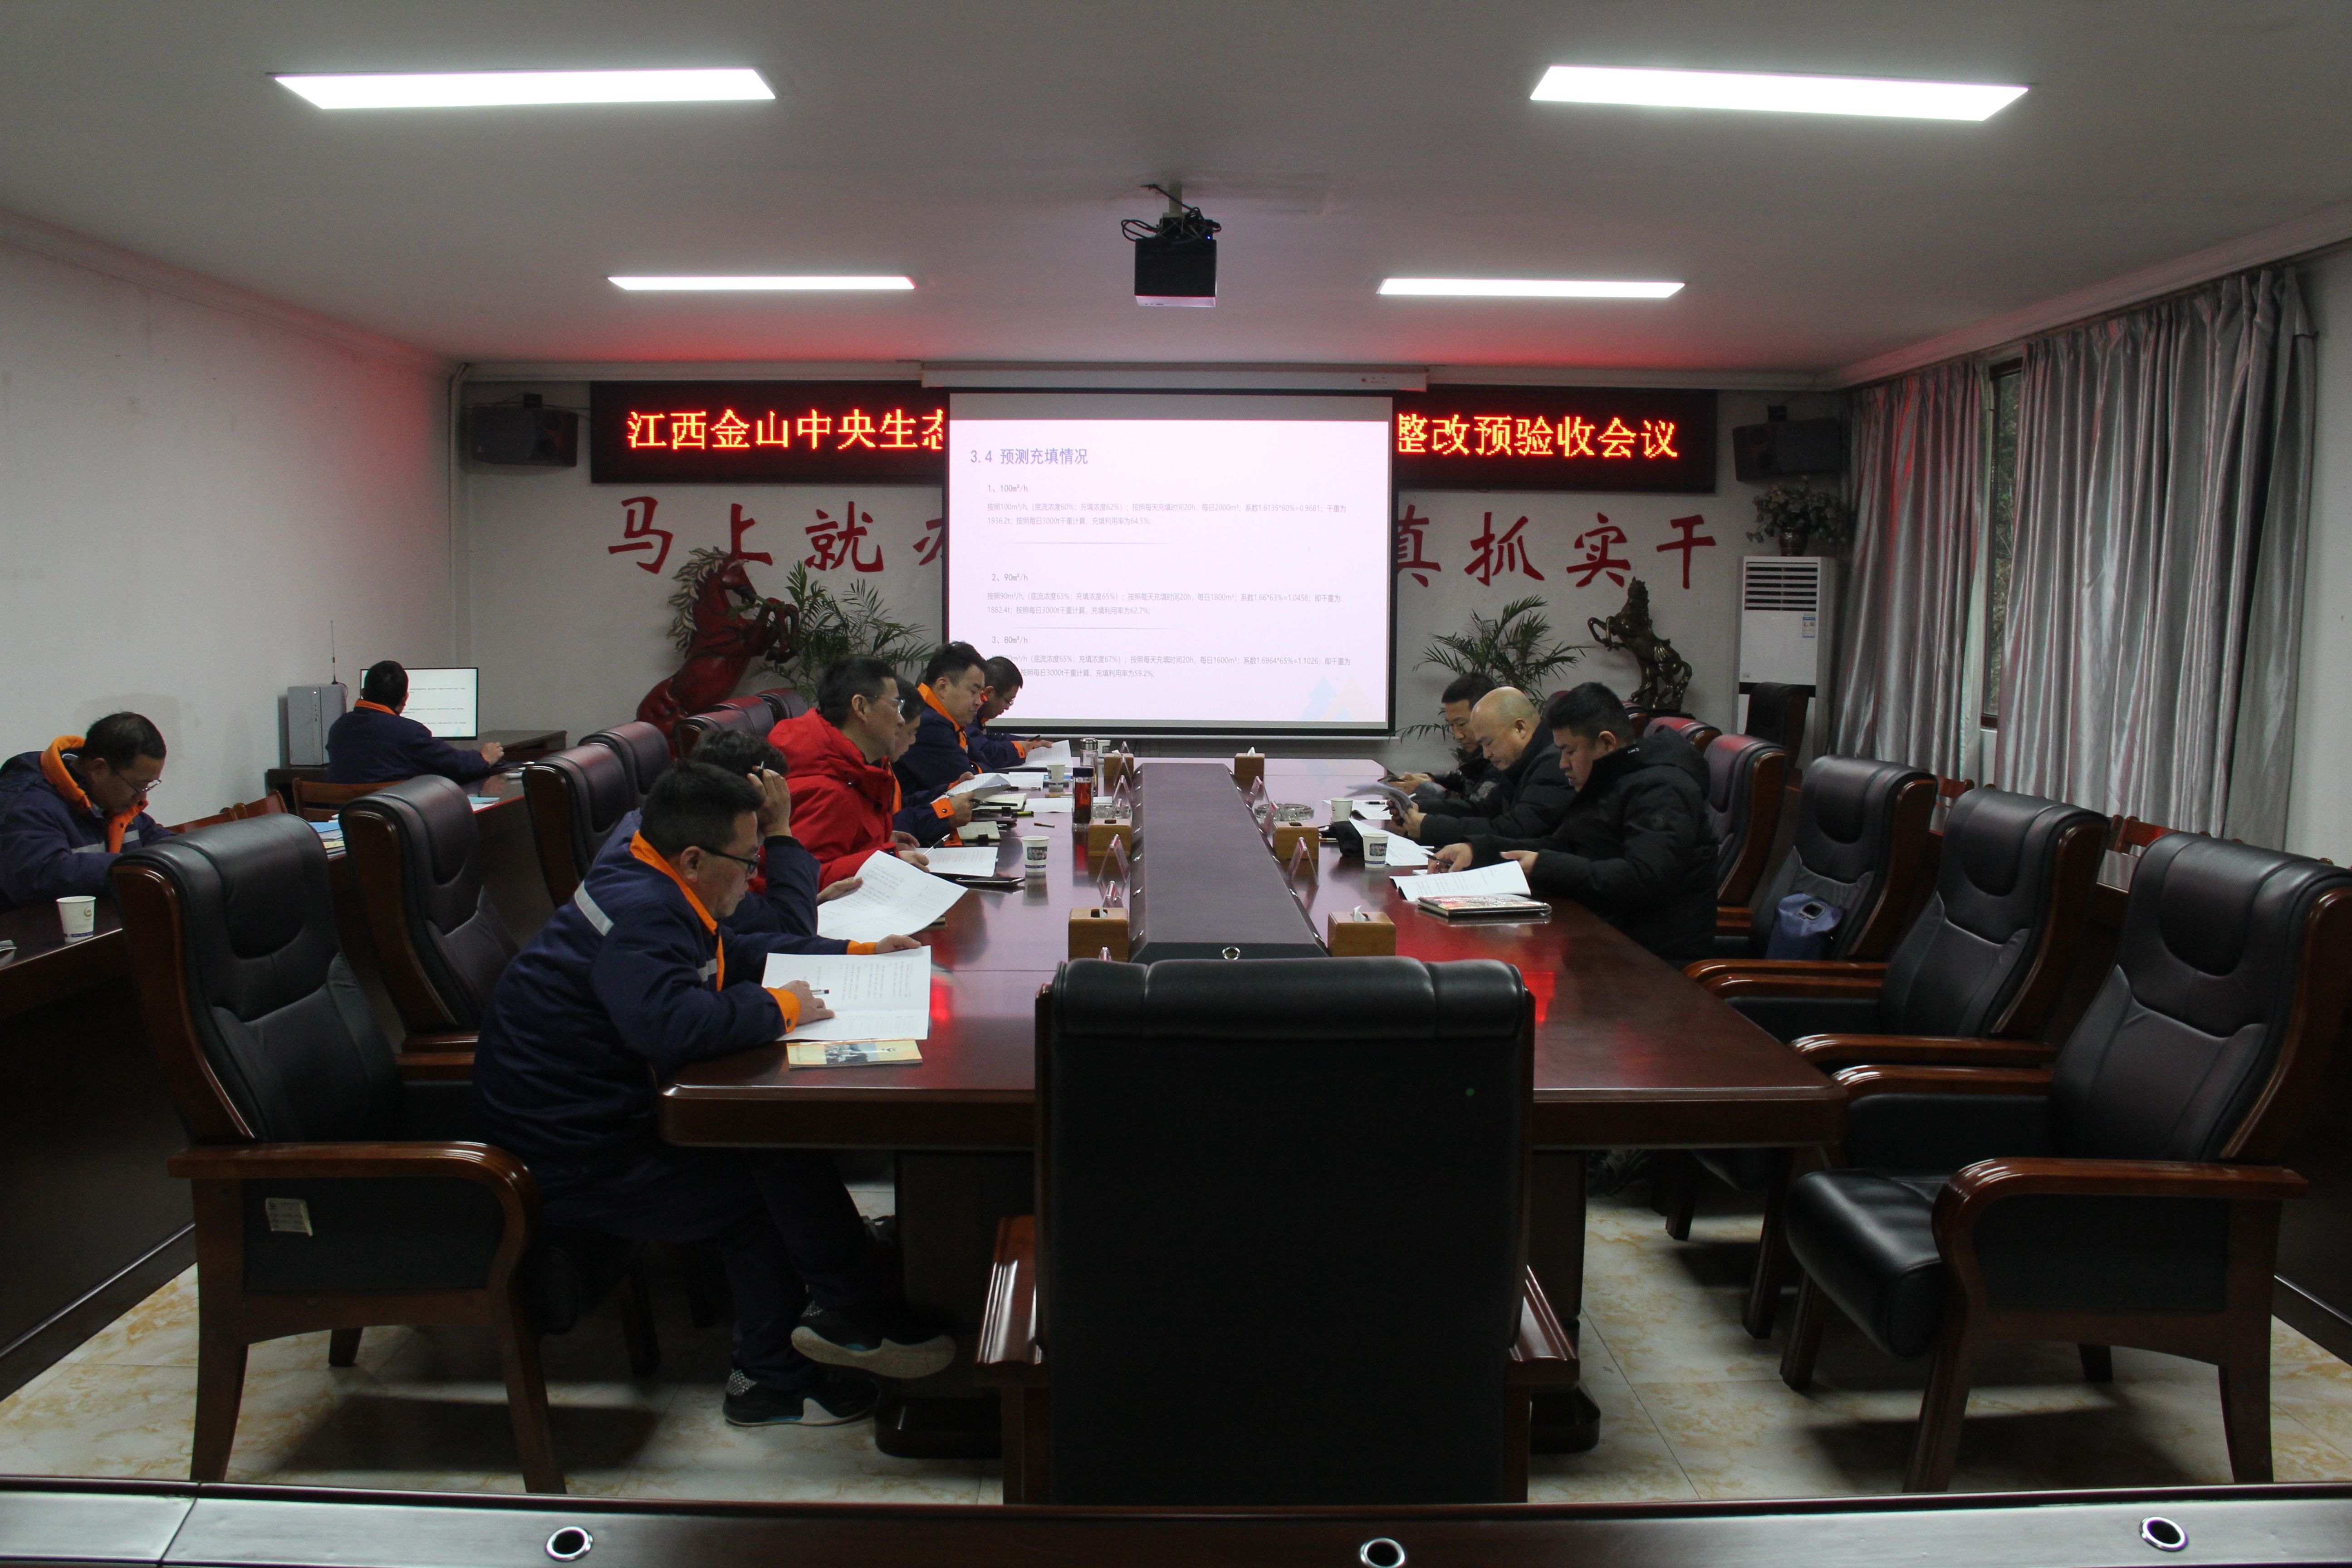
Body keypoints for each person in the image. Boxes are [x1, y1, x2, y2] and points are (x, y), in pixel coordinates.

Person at [473, 762, 955, 1427]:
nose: (754, 874)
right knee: (757, 1198)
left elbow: (731, 951)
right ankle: (768, 1379)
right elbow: (671, 1024)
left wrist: (853, 952)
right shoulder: (646, 911)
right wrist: (779, 1007)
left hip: (602, 1120)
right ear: (695, 859)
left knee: (780, 1152)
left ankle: (854, 1307)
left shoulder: (650, 876)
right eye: (748, 861)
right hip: (571, 1157)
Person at [1432, 682, 1718, 962]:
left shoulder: (1664, 790)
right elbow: (1562, 845)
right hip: (1602, 938)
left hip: (1650, 961)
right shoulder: (1610, 778)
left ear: (1607, 743)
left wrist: (1544, 866)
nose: (1563, 764)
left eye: (1570, 751)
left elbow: (1643, 879)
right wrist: (1478, 852)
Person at [596, 730, 922, 955]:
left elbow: (739, 944)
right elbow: (791, 932)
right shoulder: (689, 868)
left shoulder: (653, 828)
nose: (751, 871)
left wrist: (854, 946)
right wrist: (779, 827)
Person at [770, 658, 948, 883]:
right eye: (896, 706)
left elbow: (841, 848)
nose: (901, 720)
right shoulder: (825, 786)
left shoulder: (851, 768)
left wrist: (880, 842)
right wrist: (888, 860)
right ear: (861, 707)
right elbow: (804, 880)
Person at [0, 713, 174, 912]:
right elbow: (41, 875)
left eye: (149, 786)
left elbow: (157, 840)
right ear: (99, 769)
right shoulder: (26, 806)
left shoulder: (113, 802)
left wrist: (188, 855)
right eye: (138, 785)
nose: (142, 796)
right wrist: (135, 866)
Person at [1400, 686, 1573, 849]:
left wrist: (1429, 826)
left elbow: (1516, 831)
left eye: (1489, 743)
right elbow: (1484, 810)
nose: (1486, 754)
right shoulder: (1522, 760)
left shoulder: (1554, 764)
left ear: (1520, 728)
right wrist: (1419, 808)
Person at [326, 661, 503, 784]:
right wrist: (484, 758)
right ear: (405, 699)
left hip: (344, 819)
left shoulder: (338, 728)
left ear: (364, 693)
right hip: (392, 819)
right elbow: (456, 765)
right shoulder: (409, 732)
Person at [1387, 671, 1500, 813]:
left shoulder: (1502, 758)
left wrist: (1425, 789)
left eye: (1462, 724)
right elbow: (1465, 779)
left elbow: (1477, 809)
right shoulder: (1479, 754)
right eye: (1452, 725)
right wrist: (1432, 779)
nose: (1458, 735)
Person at [894, 642, 990, 799]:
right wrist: (976, 768)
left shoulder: (947, 720)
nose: (979, 702)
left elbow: (982, 763)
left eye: (981, 694)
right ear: (943, 687)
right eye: (974, 692)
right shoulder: (927, 724)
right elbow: (973, 781)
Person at [966, 656, 1039, 770]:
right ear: (989, 693)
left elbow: (989, 739)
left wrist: (1029, 743)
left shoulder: (978, 717)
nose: (1007, 708)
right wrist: (1018, 749)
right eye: (1008, 701)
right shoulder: (966, 715)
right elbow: (984, 752)